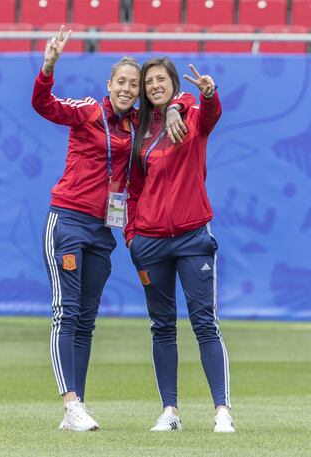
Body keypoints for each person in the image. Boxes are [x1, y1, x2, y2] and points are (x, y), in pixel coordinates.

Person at [32, 27, 187, 432]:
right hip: (68, 220)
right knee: (65, 313)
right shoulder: (87, 110)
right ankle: (71, 403)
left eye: (134, 85)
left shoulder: (136, 125)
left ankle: (76, 409)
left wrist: (173, 108)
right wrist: (49, 65)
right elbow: (43, 104)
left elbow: (177, 102)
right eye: (122, 82)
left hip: (103, 232)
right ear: (109, 85)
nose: (128, 89)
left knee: (86, 319)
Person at [125, 57, 235, 433]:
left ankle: (222, 411)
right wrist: (132, 239)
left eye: (161, 79)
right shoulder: (140, 134)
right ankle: (169, 411)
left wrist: (206, 93)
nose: (155, 85)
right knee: (162, 327)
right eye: (149, 81)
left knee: (205, 324)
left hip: (192, 237)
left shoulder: (190, 116)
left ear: (173, 84)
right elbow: (134, 193)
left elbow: (209, 111)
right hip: (150, 243)